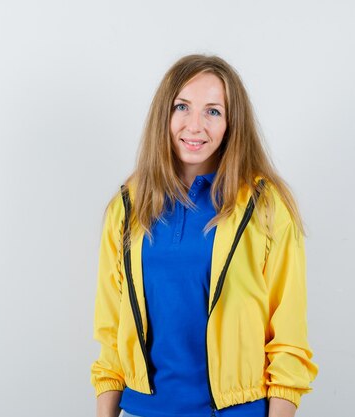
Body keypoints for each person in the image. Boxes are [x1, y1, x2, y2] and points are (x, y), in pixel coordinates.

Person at [91, 54, 318, 417]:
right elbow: (111, 333)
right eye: (182, 107)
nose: (195, 125)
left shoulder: (265, 206)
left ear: (231, 124)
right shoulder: (127, 207)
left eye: (213, 111)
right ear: (164, 115)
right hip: (146, 410)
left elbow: (288, 341)